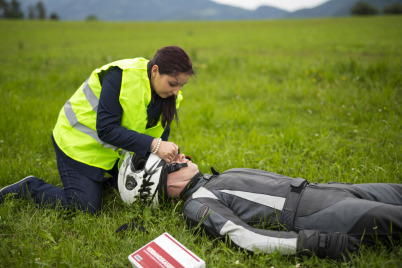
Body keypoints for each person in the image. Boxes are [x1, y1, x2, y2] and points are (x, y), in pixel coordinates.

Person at [0, 46, 195, 214]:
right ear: (155, 70)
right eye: (173, 83)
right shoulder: (121, 75)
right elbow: (107, 130)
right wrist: (154, 144)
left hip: (113, 153)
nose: (177, 91)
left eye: (181, 86)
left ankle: (99, 182)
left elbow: (156, 142)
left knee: (137, 189)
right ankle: (29, 187)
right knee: (85, 207)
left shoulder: (170, 97)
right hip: (78, 145)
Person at [116, 153, 401, 260]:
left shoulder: (212, 179)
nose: (182, 154)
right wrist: (317, 242)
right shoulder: (198, 204)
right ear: (161, 184)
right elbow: (246, 238)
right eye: (173, 160)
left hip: (328, 190)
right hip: (319, 214)